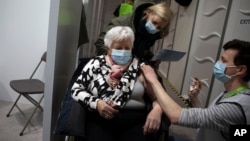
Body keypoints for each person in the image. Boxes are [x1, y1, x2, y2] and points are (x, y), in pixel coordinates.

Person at [140, 39, 250, 141]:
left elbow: (176, 116)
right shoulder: (231, 94)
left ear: (240, 70)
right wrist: (194, 99)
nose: (217, 62)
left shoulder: (236, 107)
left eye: (223, 60)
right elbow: (208, 121)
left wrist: (153, 80)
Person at [71, 26, 164, 141]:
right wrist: (97, 103)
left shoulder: (141, 67)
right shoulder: (95, 64)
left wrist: (157, 110)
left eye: (127, 48)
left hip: (134, 121)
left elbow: (158, 97)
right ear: (108, 48)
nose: (123, 52)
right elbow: (76, 90)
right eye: (119, 48)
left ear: (132, 47)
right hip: (100, 119)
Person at [95, 0, 174, 62]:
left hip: (131, 66)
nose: (154, 28)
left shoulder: (150, 34)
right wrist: (115, 56)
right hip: (109, 63)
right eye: (154, 22)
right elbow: (100, 42)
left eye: (159, 27)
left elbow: (142, 49)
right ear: (148, 12)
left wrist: (152, 58)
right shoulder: (123, 23)